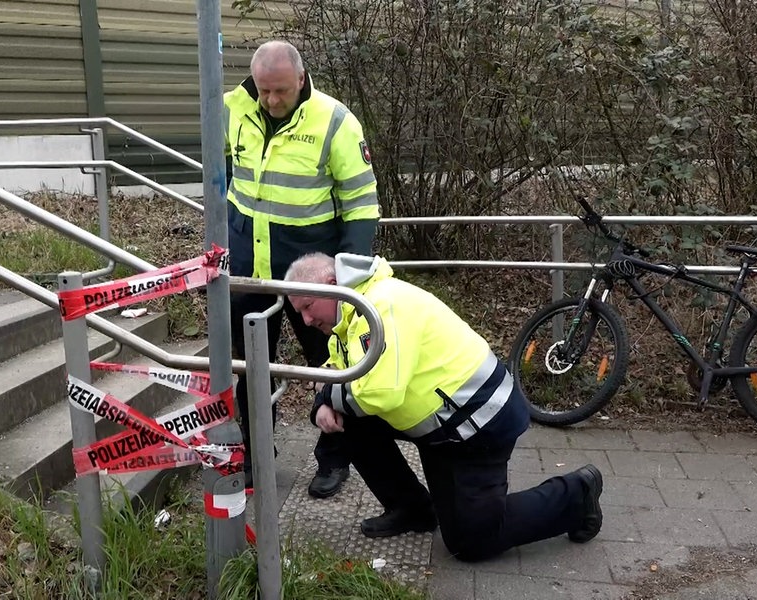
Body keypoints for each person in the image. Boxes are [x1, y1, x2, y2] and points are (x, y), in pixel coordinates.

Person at [284, 252, 604, 562]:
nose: (306, 320)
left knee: (471, 542)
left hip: (479, 426)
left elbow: (381, 394)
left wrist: (328, 397)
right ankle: (413, 511)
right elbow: (338, 372)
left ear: (331, 282)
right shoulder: (350, 315)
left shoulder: (380, 307)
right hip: (443, 424)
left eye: (308, 306)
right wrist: (325, 401)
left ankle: (576, 495)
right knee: (348, 419)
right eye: (299, 312)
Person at [224, 40, 380, 497]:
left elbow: (361, 203)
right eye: (264, 91)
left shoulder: (335, 122)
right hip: (249, 270)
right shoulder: (235, 108)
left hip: (311, 275)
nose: (271, 101)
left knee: (331, 367)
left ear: (302, 79)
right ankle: (255, 455)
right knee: (250, 368)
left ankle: (334, 460)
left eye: (282, 92)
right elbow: (225, 179)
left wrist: (348, 278)